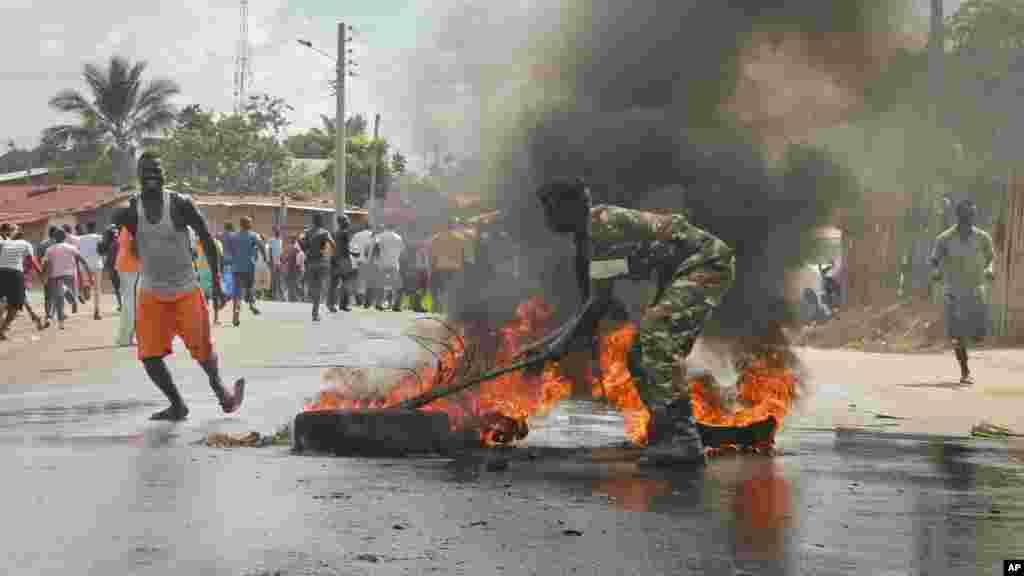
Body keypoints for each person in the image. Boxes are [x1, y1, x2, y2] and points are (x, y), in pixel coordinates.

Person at [535, 177, 735, 466]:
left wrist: (557, 347)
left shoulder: (601, 227)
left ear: (571, 206)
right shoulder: (587, 241)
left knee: (655, 340)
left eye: (550, 209)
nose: (547, 217)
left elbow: (597, 305)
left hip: (705, 262)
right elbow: (591, 308)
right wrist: (545, 347)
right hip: (679, 272)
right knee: (639, 354)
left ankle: (684, 441)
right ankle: (666, 432)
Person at [112, 151, 244, 421]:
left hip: (186, 288)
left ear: (163, 176)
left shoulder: (180, 204)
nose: (152, 176)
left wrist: (217, 280)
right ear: (139, 177)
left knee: (203, 350)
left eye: (157, 171)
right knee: (149, 356)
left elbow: (207, 238)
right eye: (146, 171)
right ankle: (177, 404)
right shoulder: (130, 212)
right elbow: (113, 235)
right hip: (151, 292)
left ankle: (220, 390)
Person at [929, 199, 996, 386]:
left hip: (976, 289)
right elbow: (935, 259)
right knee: (957, 335)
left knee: (978, 333)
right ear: (959, 217)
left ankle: (975, 334)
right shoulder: (945, 238)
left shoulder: (982, 237)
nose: (970, 220)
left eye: (972, 216)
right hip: (954, 291)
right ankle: (965, 370)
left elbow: (991, 257)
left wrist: (990, 269)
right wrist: (935, 271)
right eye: (967, 216)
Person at [0, 224, 46, 338]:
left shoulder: (4, 242)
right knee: (16, 305)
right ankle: (3, 328)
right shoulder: (26, 244)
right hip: (15, 273)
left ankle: (3, 328)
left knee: (4, 301)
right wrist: (41, 274)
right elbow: (32, 260)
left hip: (1, 272)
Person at [44, 228, 94, 330]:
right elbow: (82, 261)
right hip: (69, 275)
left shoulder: (49, 250)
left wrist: (44, 276)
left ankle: (60, 321)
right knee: (64, 295)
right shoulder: (71, 247)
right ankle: (72, 299)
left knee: (59, 299)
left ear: (54, 238)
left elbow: (45, 264)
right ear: (65, 237)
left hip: (55, 277)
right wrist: (90, 275)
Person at [223, 216, 267, 326]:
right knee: (249, 287)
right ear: (249, 225)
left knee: (237, 292)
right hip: (249, 267)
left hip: (236, 267)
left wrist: (231, 258)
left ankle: (236, 313)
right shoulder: (253, 235)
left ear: (240, 224)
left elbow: (228, 249)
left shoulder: (233, 236)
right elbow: (261, 245)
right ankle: (252, 305)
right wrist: (265, 257)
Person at [303, 213, 335, 321]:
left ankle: (312, 300)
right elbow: (333, 244)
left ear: (313, 221)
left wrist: (308, 250)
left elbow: (302, 243)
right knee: (319, 288)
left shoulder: (307, 232)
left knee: (313, 287)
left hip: (310, 263)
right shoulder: (325, 232)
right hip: (321, 262)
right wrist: (328, 253)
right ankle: (315, 314)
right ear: (321, 221)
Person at [430, 219, 465, 315]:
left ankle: (437, 304)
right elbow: (462, 254)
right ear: (453, 226)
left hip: (440, 266)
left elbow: (432, 255)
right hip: (455, 267)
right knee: (452, 289)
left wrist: (432, 267)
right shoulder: (460, 238)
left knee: (438, 287)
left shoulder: (436, 238)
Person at [115, 225, 140, 346]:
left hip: (125, 265)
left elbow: (122, 243)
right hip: (132, 266)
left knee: (128, 302)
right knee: (132, 303)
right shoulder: (139, 225)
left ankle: (124, 337)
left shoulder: (127, 226)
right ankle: (127, 337)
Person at [372, 226, 405, 311]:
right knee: (396, 286)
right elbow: (402, 250)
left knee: (381, 284)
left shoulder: (380, 236)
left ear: (386, 228)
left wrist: (374, 260)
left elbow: (375, 249)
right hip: (394, 263)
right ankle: (396, 305)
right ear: (394, 228)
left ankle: (379, 304)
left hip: (382, 263)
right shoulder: (398, 237)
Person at [327, 215, 355, 313]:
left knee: (333, 283)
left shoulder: (334, 233)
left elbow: (334, 247)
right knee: (346, 283)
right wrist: (354, 254)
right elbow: (346, 248)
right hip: (343, 260)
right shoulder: (345, 233)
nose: (348, 222)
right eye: (347, 220)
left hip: (334, 259)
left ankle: (331, 304)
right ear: (343, 222)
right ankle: (343, 305)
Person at [77, 222, 104, 320]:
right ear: (95, 228)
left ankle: (86, 285)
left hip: (84, 265)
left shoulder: (80, 239)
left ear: (87, 228)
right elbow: (102, 250)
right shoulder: (99, 237)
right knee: (97, 289)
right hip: (96, 264)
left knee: (86, 282)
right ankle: (97, 311)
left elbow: (78, 251)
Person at [350, 224, 375, 308]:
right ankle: (368, 302)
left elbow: (351, 249)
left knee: (358, 282)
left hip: (357, 262)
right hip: (369, 262)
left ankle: (359, 300)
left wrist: (354, 260)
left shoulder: (356, 235)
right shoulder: (374, 236)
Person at [98, 225, 122, 311]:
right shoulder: (120, 242)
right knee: (122, 287)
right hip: (120, 267)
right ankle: (123, 305)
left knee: (117, 288)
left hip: (114, 268)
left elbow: (108, 258)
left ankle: (121, 305)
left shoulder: (111, 244)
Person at [269, 226, 284, 301]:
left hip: (279, 263)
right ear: (274, 232)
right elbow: (270, 251)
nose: (278, 232)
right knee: (273, 279)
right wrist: (271, 262)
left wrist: (281, 261)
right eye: (277, 231)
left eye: (279, 231)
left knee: (279, 279)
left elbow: (281, 252)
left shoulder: (281, 241)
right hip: (273, 262)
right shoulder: (271, 240)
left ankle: (280, 296)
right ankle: (272, 295)